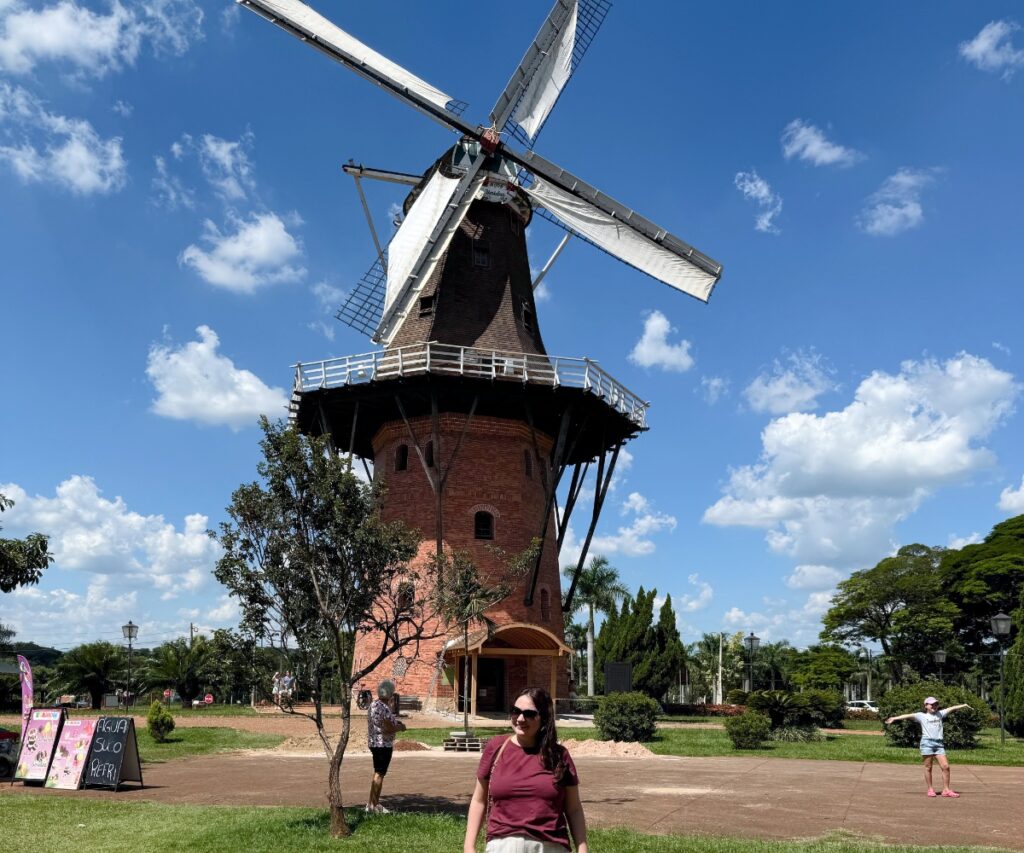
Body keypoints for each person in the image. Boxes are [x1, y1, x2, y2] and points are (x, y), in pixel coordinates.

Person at [464, 686, 589, 853]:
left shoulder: (559, 756)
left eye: (529, 714)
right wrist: (469, 846)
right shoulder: (496, 748)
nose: (520, 719)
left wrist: (582, 848)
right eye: (516, 711)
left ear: (543, 718)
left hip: (550, 845)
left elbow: (573, 808)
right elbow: (479, 800)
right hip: (503, 846)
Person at [885, 696, 972, 797]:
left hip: (939, 744)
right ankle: (930, 789)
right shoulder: (921, 716)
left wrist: (964, 705)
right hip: (927, 744)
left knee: (946, 766)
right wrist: (894, 718)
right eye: (932, 704)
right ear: (926, 706)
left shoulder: (940, 713)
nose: (934, 706)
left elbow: (952, 708)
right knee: (928, 767)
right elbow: (907, 715)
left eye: (936, 704)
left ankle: (946, 790)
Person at [366, 679, 406, 814]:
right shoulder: (383, 708)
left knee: (377, 772)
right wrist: (400, 727)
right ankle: (374, 805)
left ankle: (371, 803)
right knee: (379, 774)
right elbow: (388, 729)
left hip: (374, 742)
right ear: (389, 693)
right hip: (382, 744)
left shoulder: (373, 705)